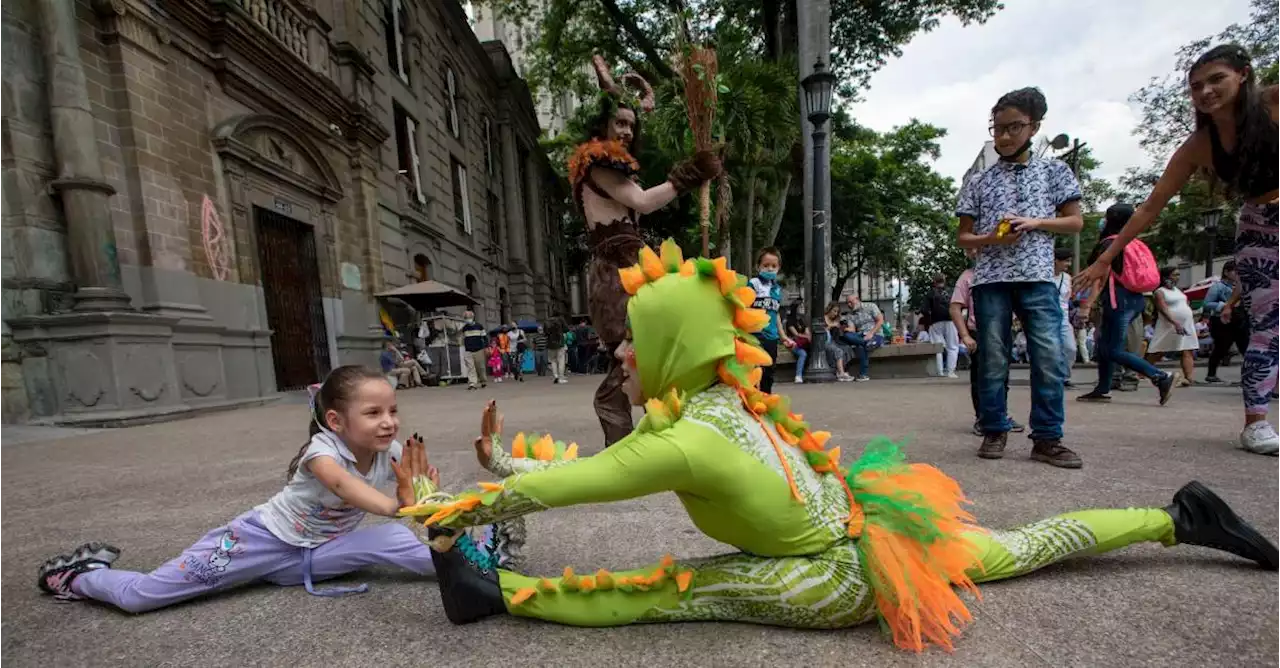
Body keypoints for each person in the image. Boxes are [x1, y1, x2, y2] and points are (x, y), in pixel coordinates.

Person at [403, 240, 1280, 654]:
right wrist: (505, 466)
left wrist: (448, 507)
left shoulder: (686, 440)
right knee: (1026, 545)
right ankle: (1174, 517)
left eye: (634, 337)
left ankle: (496, 595)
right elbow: (592, 469)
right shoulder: (716, 404)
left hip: (835, 572)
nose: (621, 352)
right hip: (880, 523)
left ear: (672, 347)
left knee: (666, 594)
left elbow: (584, 485)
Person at [36, 366, 522, 612]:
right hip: (263, 542)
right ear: (336, 420)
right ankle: (77, 577)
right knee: (145, 596)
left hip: (322, 553)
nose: (389, 422)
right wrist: (406, 507)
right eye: (374, 413)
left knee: (401, 543)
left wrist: (433, 504)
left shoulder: (395, 453)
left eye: (392, 411)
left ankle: (485, 557)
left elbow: (417, 504)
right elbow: (351, 492)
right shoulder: (322, 454)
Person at [1076, 45, 1280, 455]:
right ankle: (1256, 422)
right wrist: (1102, 259)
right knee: (1268, 327)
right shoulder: (1199, 145)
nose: (1205, 91)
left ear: (1243, 74)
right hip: (1261, 228)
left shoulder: (1274, 103)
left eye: (1216, 79)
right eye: (1195, 86)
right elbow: (1151, 207)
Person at [573, 57, 722, 446]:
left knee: (650, 348)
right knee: (632, 352)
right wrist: (690, 175)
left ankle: (657, 432)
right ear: (602, 124)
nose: (625, 130)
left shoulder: (614, 164)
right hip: (617, 272)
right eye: (619, 122)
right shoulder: (597, 164)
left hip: (630, 266)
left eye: (630, 125)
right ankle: (627, 438)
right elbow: (642, 202)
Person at [956, 87, 1083, 468]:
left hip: (1037, 277)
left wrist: (1036, 223)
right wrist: (992, 237)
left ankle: (1047, 437)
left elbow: (1076, 221)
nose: (1005, 136)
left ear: (1034, 126)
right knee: (993, 356)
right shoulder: (979, 181)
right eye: (998, 129)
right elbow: (964, 236)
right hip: (990, 279)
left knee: (1048, 355)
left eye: (1013, 127)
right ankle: (993, 427)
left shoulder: (1055, 171)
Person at [1076, 204, 1177, 406]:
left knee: (1112, 349)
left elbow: (1100, 278)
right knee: (1104, 345)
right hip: (1136, 299)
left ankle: (1159, 376)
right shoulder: (1135, 243)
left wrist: (1087, 305)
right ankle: (1102, 388)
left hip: (1117, 300)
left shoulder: (1109, 245)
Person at [951, 250, 1025, 437]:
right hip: (978, 332)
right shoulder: (968, 277)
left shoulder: (1007, 273)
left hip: (1002, 331)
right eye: (975, 248)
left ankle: (1000, 415)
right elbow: (955, 307)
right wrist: (965, 336)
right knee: (982, 377)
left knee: (1002, 376)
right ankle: (982, 418)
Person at [748, 247, 794, 393]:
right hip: (755, 336)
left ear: (778, 268)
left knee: (768, 374)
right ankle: (751, 405)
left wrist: (784, 336)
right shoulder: (753, 284)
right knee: (754, 373)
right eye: (766, 265)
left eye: (773, 266)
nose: (769, 269)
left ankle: (766, 403)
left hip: (771, 337)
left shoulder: (777, 290)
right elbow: (743, 307)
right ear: (758, 266)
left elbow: (776, 315)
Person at [1146, 267, 1198, 387]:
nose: (1177, 277)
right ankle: (1141, 372)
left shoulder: (1178, 290)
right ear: (1166, 277)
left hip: (1186, 324)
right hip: (1169, 324)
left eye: (1178, 275)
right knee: (1158, 351)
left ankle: (1189, 378)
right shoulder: (1160, 291)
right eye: (1175, 275)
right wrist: (1175, 323)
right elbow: (1163, 308)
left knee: (1187, 349)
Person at [1203, 260, 1249, 384]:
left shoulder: (1242, 286)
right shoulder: (1218, 287)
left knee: (1246, 348)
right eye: (1235, 271)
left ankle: (1249, 375)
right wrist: (1224, 306)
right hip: (1221, 322)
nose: (1237, 274)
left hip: (1239, 319)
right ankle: (1211, 374)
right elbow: (1207, 304)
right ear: (1226, 272)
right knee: (1221, 347)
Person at [838, 294, 883, 382]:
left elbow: (880, 320)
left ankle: (863, 374)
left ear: (857, 299)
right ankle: (867, 343)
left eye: (851, 302)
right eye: (848, 303)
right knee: (847, 335)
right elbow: (853, 330)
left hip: (875, 334)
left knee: (861, 347)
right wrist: (844, 328)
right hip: (860, 335)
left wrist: (871, 333)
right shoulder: (850, 315)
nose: (849, 305)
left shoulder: (871, 306)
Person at [926, 273, 959, 378]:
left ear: (934, 282)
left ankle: (939, 371)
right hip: (950, 320)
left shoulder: (930, 293)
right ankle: (951, 371)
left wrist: (929, 318)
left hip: (935, 321)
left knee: (937, 347)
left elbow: (924, 309)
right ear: (944, 281)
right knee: (953, 346)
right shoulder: (951, 291)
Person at [1053, 248, 1078, 387]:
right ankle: (1052, 377)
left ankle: (1065, 376)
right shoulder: (1044, 276)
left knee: (1070, 348)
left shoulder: (1067, 278)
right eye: (1066, 261)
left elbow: (1067, 298)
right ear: (1056, 261)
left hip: (1063, 318)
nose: (1068, 264)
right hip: (1046, 318)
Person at [823, 302, 854, 382]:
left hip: (833, 341)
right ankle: (841, 373)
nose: (835, 313)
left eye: (837, 312)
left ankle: (839, 371)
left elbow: (840, 333)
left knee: (847, 349)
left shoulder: (836, 319)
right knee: (838, 351)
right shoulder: (823, 318)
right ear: (829, 310)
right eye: (834, 311)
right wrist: (831, 326)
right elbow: (821, 332)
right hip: (825, 341)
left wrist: (842, 327)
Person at [460, 311, 489, 390]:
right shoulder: (464, 328)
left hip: (479, 349)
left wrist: (486, 347)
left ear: (472, 318)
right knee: (470, 367)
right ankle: (472, 383)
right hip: (468, 350)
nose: (467, 319)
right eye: (465, 318)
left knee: (480, 367)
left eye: (468, 318)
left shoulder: (479, 326)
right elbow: (462, 339)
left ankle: (483, 381)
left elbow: (485, 338)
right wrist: (462, 349)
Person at [785, 307, 811, 384]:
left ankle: (805, 374)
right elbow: (796, 334)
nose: (801, 309)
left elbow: (807, 332)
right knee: (803, 354)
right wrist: (807, 337)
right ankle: (798, 376)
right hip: (793, 343)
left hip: (804, 343)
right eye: (799, 307)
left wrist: (807, 336)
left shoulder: (802, 320)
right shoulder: (790, 321)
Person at [546, 317, 569, 384]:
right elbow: (566, 329)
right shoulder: (561, 319)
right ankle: (561, 378)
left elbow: (545, 333)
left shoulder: (547, 321)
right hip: (559, 343)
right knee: (561, 360)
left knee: (553, 360)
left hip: (550, 344)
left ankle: (555, 376)